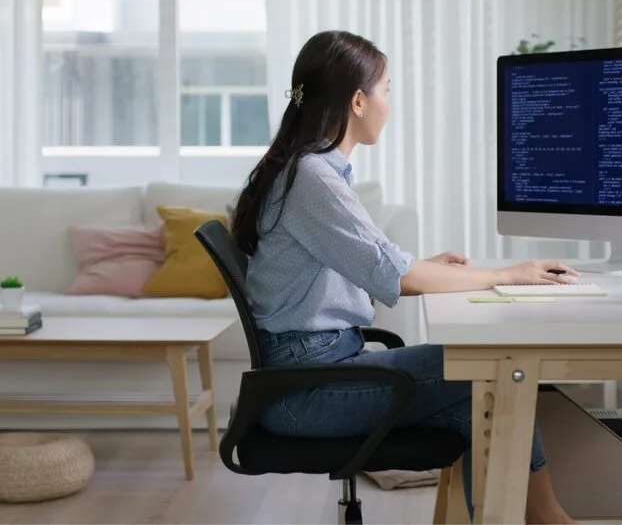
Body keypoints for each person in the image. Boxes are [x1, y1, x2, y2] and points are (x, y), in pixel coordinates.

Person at [231, 30, 579, 524]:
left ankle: (539, 517)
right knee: (490, 364)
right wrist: (507, 274)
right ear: (358, 101)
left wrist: (434, 266)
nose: (388, 103)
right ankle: (551, 520)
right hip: (303, 390)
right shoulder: (313, 178)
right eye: (387, 90)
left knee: (476, 408)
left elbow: (375, 260)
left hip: (311, 370)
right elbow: (397, 278)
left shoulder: (310, 169)